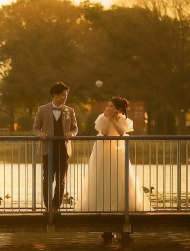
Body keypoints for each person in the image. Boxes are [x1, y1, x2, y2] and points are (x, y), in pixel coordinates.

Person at [76, 97, 151, 212]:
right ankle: (100, 205)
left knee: (119, 176)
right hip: (102, 150)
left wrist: (113, 120)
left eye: (112, 107)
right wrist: (108, 119)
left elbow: (121, 132)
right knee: (101, 175)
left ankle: (120, 205)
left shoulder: (123, 119)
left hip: (117, 150)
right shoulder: (102, 118)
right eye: (108, 106)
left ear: (118, 109)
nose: (109, 108)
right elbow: (105, 132)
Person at [33, 82, 79, 213]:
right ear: (55, 95)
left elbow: (75, 128)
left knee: (61, 179)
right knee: (47, 179)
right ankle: (48, 206)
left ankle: (56, 206)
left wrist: (71, 133)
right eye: (63, 95)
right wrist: (40, 133)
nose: (65, 97)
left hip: (63, 149)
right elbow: (35, 127)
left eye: (66, 95)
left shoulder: (69, 110)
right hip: (48, 149)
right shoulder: (42, 109)